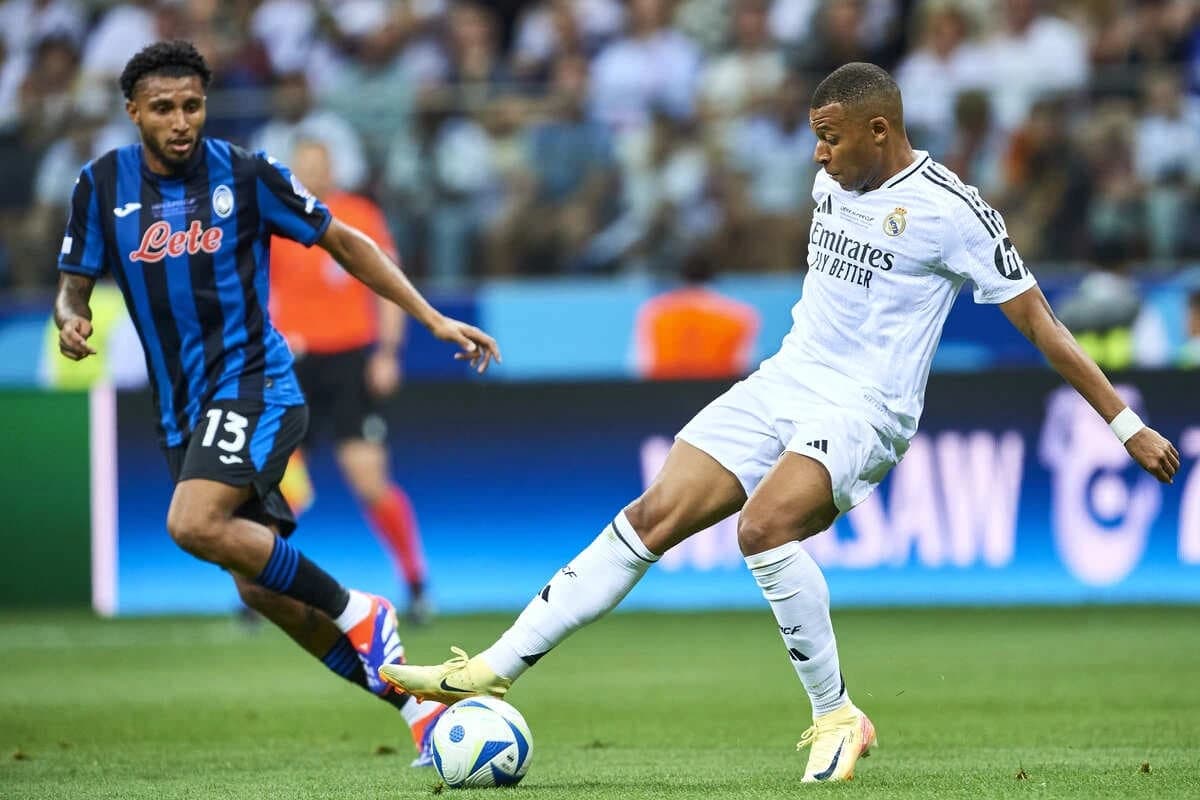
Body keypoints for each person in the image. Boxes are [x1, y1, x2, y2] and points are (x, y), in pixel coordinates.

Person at [378, 63, 1180, 783]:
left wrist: (1124, 425)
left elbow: (1041, 321)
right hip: (786, 378)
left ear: (881, 130)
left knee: (762, 529)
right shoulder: (834, 179)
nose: (819, 157)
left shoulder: (952, 213)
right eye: (812, 141)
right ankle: (497, 665)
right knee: (651, 515)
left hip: (867, 407)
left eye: (830, 140)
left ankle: (836, 712)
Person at [52, 40, 501, 766]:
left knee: (192, 522)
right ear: (132, 111)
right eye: (163, 108)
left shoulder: (247, 174)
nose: (180, 122)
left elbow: (346, 243)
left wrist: (430, 318)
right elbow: (74, 278)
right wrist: (70, 314)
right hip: (183, 412)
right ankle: (417, 708)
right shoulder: (100, 185)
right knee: (263, 591)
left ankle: (365, 609)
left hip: (257, 382)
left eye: (192, 105)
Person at [269, 138, 432, 624]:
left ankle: (416, 582)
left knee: (369, 479)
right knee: (279, 483)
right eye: (304, 167)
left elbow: (388, 285)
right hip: (294, 364)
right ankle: (260, 589)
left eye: (320, 165)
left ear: (333, 168)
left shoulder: (358, 214)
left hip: (350, 361)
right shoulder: (276, 218)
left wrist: (387, 351)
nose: (312, 173)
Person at [633, 247, 760, 380]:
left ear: (680, 275)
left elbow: (642, 364)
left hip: (665, 392)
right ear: (713, 275)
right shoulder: (739, 315)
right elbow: (745, 365)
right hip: (718, 392)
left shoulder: (655, 312)